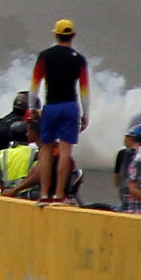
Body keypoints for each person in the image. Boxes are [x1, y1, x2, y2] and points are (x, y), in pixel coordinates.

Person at [34, 19, 89, 203]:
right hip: (70, 107)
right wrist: (85, 114)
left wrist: (32, 107)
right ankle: (59, 194)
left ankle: (43, 193)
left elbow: (35, 85)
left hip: (51, 106)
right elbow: (84, 91)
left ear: (56, 34)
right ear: (72, 36)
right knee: (65, 152)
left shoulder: (45, 56)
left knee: (46, 150)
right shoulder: (78, 59)